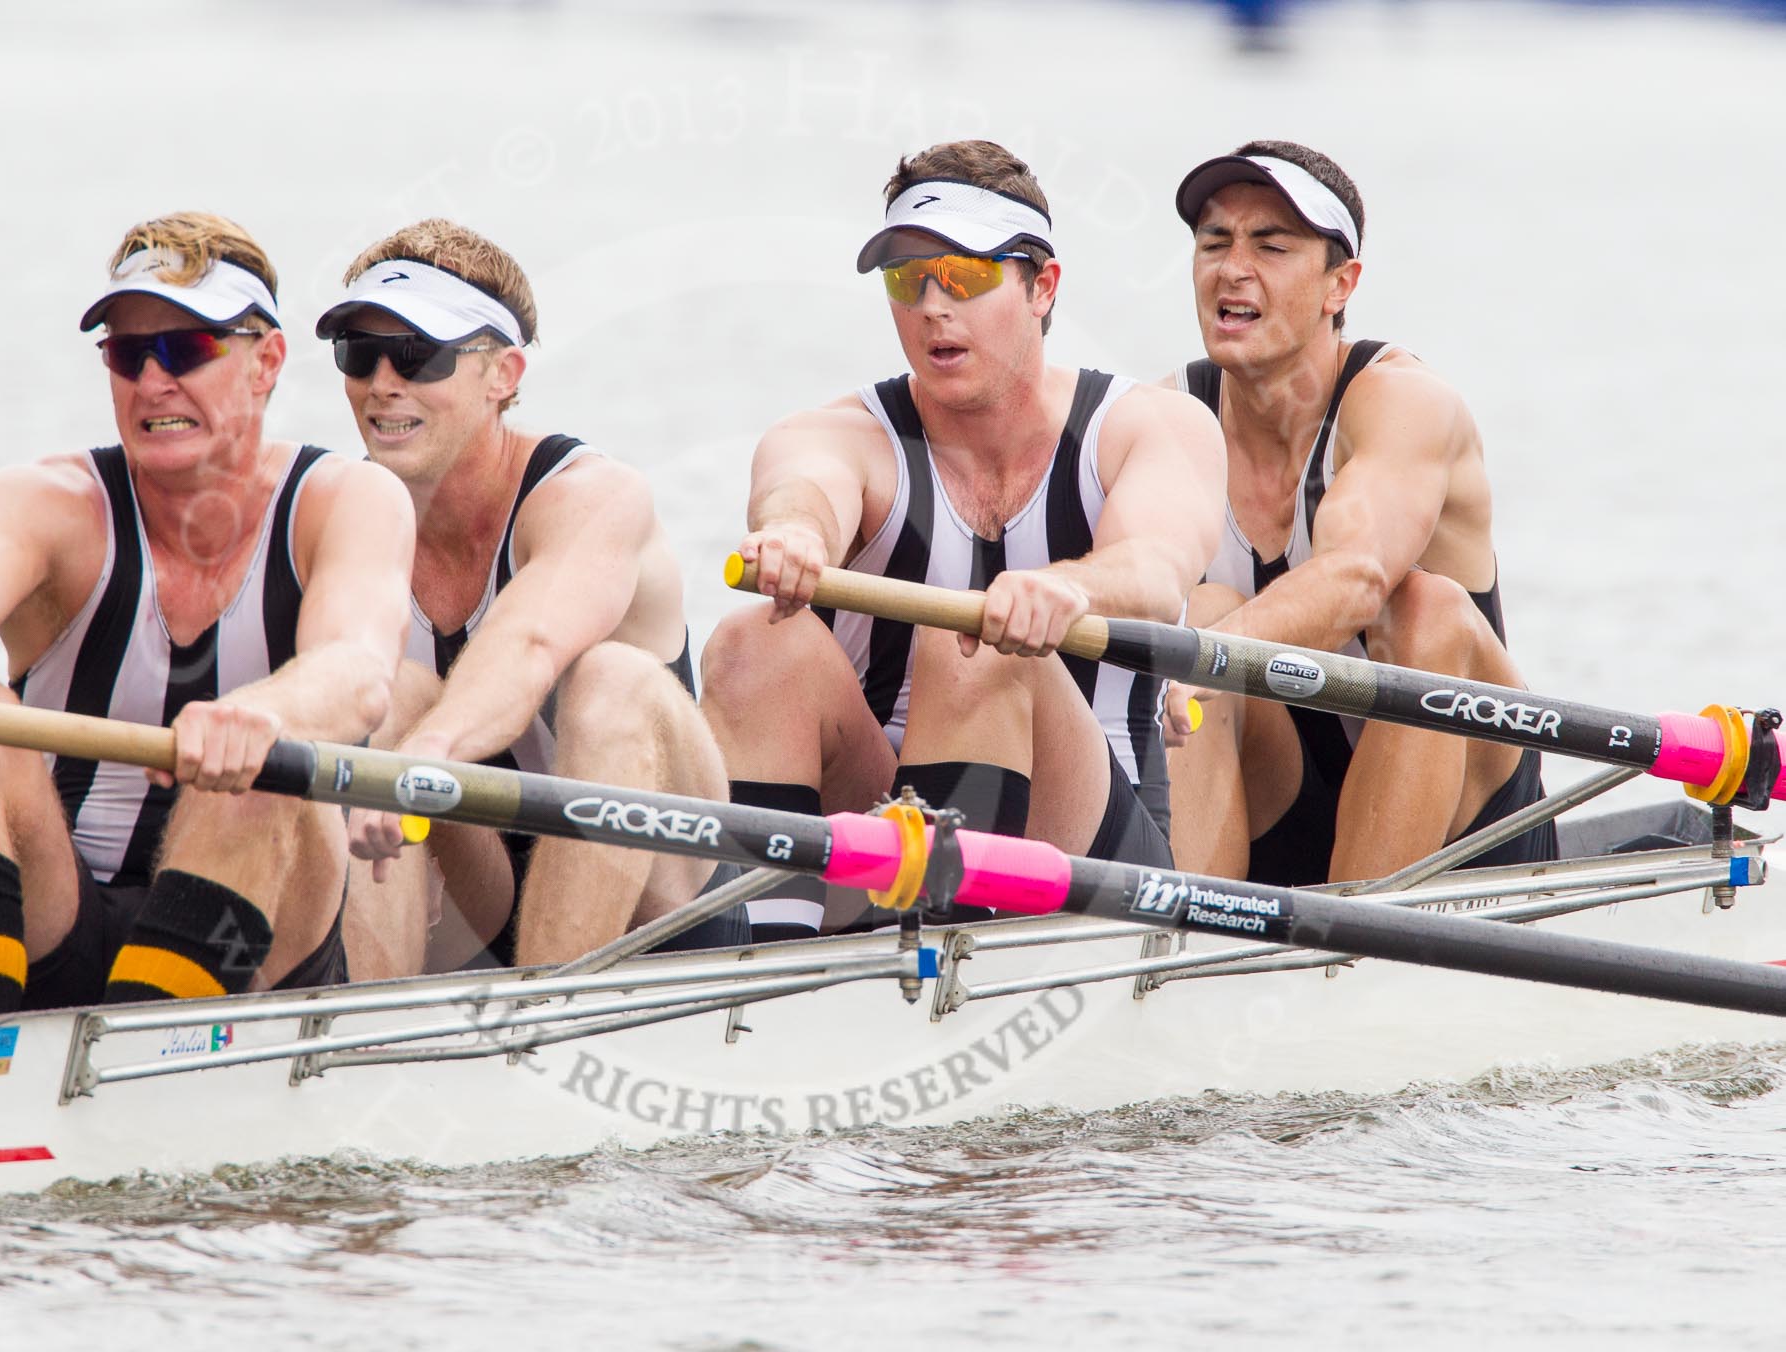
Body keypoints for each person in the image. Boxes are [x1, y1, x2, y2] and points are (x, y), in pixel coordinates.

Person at [0, 213, 414, 1044]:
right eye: (130, 354)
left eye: (188, 350)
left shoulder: (346, 500)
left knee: (263, 770)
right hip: (65, 918)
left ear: (267, 362)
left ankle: (147, 1055)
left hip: (258, 940)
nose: (153, 382)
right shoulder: (48, 502)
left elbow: (357, 668)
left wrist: (261, 714)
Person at [701, 139, 1226, 942]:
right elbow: (802, 487)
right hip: (878, 842)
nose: (933, 306)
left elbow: (1155, 569)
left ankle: (926, 963)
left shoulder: (1148, 426)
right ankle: (763, 974)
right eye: (908, 279)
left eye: (968, 277)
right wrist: (794, 533)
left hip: (1091, 855)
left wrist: (1066, 588)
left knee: (971, 643)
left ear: (1042, 287)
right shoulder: (839, 432)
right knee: (751, 643)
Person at [324, 220, 742, 974]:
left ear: (504, 375)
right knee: (389, 699)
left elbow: (529, 645)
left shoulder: (592, 496)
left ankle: (541, 1025)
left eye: (419, 355)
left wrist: (427, 755)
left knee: (610, 684)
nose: (384, 382)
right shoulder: (333, 516)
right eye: (360, 353)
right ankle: (363, 1042)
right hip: (480, 895)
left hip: (661, 900)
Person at [1163, 142, 1557, 885]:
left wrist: (1199, 663)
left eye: (1270, 246)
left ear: (1339, 285)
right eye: (1214, 242)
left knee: (1425, 608)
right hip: (1287, 813)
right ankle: (1184, 948)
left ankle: (1359, 953)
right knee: (1198, 607)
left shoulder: (1404, 403)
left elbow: (1355, 577)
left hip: (1467, 836)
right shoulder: (1166, 420)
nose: (1232, 267)